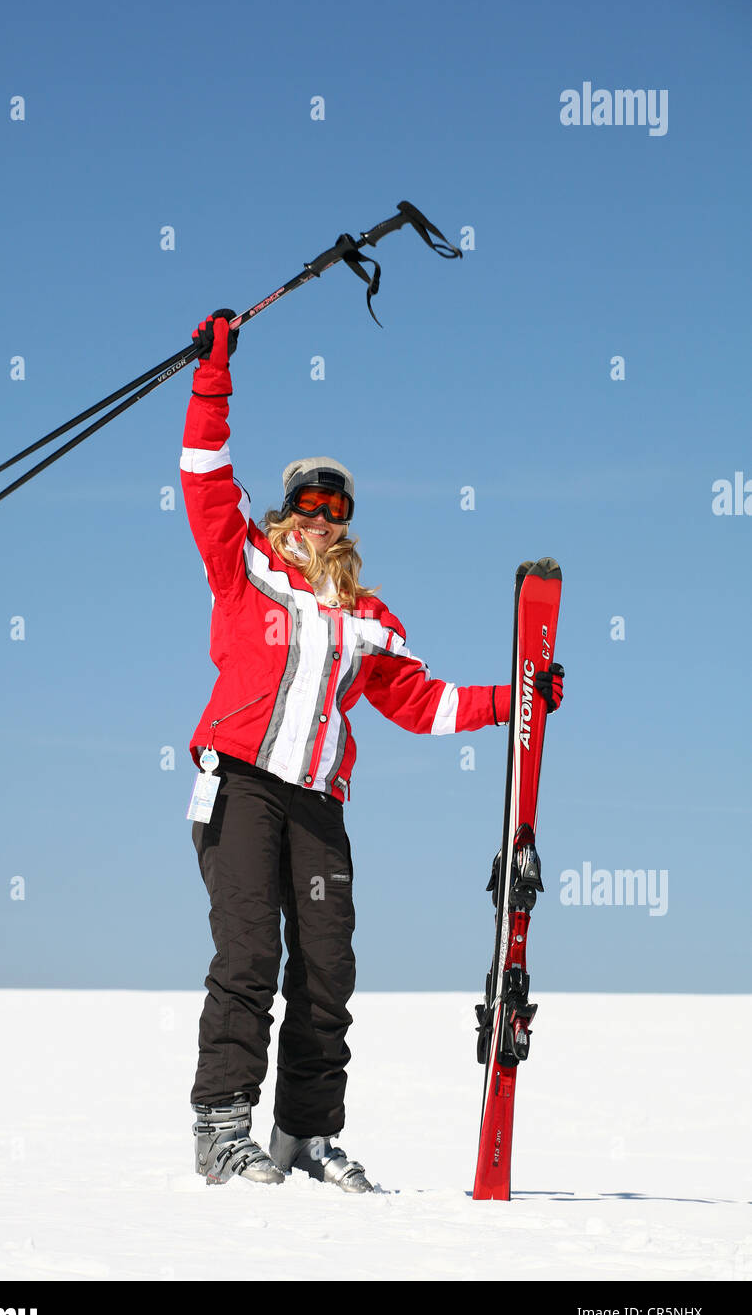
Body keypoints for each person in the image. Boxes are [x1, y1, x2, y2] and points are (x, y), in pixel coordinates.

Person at [180, 310, 565, 1191]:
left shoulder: (367, 619)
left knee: (327, 967)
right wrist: (214, 377)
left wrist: (518, 700)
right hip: (240, 785)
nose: (320, 520)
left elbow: (421, 703)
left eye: (336, 508)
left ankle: (304, 1139)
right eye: (307, 505)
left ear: (348, 522)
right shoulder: (244, 567)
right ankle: (220, 1129)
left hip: (319, 801)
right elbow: (204, 476)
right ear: (286, 512)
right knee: (248, 956)